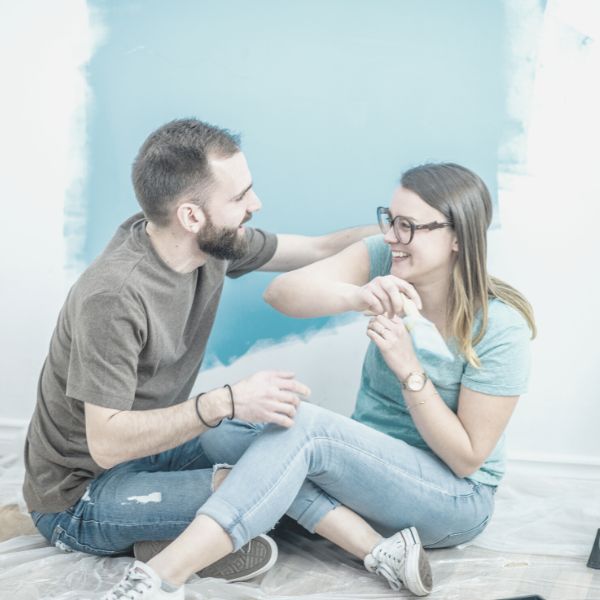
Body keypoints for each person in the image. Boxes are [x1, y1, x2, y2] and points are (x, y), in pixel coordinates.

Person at [99, 162, 535, 599]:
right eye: (390, 219)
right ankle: (379, 549)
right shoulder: (388, 261)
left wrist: (410, 371)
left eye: (408, 227)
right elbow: (282, 292)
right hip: (365, 485)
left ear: (458, 236)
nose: (390, 236)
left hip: (452, 499)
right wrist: (358, 294)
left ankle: (159, 577)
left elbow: (466, 459)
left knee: (303, 431)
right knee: (227, 429)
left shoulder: (499, 327)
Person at [22, 118, 380, 588]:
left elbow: (313, 248)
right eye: (239, 198)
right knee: (259, 485)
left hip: (152, 453)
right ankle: (162, 547)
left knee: (277, 447)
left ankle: (172, 539)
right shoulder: (113, 297)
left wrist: (395, 236)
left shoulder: (208, 243)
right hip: (80, 495)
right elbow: (106, 445)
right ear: (192, 216)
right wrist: (225, 402)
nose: (256, 205)